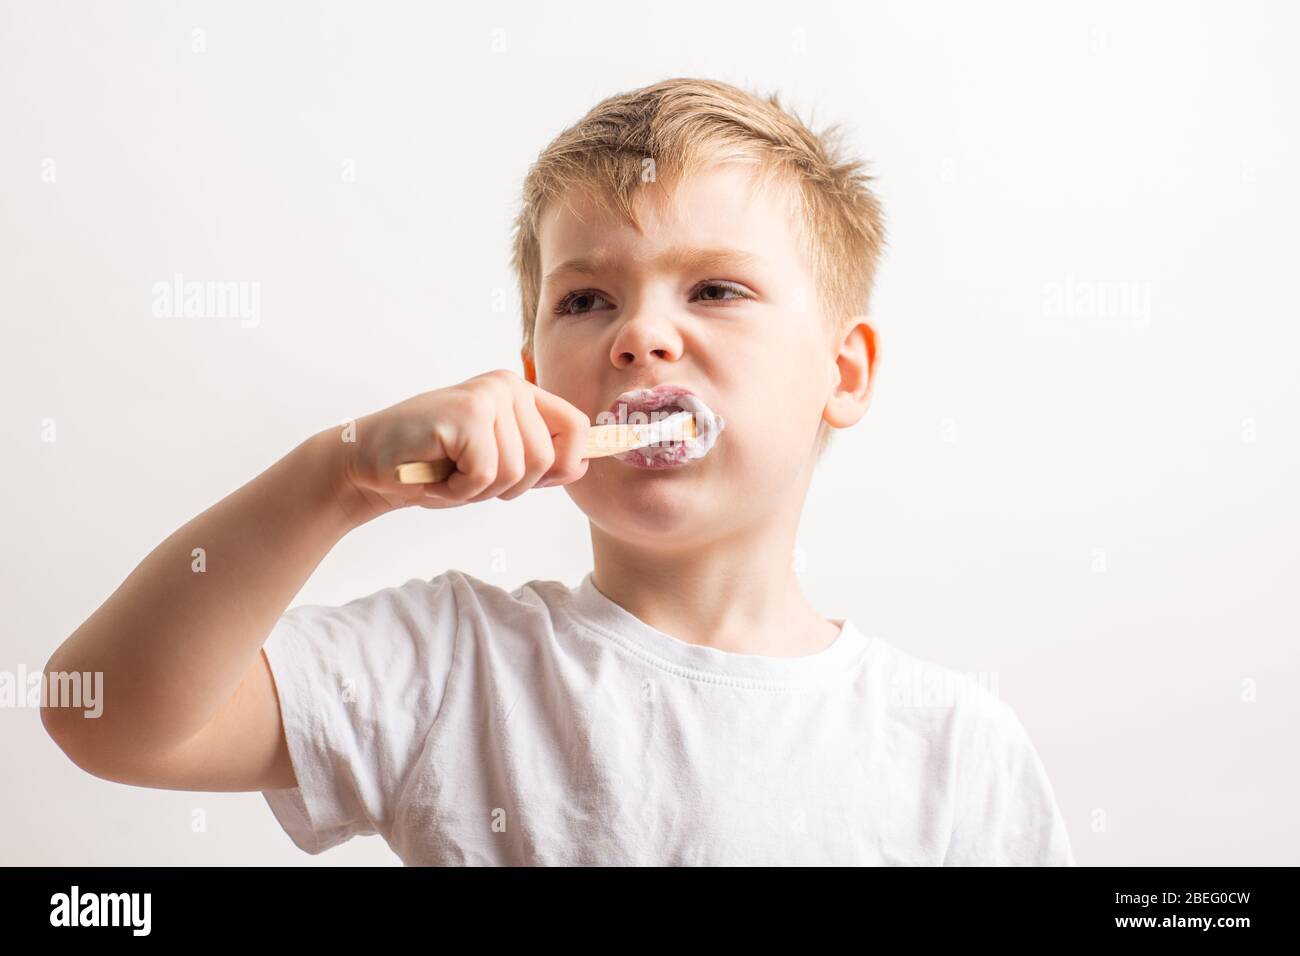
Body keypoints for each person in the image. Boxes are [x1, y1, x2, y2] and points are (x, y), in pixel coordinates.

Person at [41, 77, 1074, 866]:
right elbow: (104, 715)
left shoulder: (952, 746)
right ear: (535, 380)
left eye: (713, 289)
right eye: (586, 301)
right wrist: (336, 476)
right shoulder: (450, 666)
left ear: (841, 375)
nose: (639, 336)